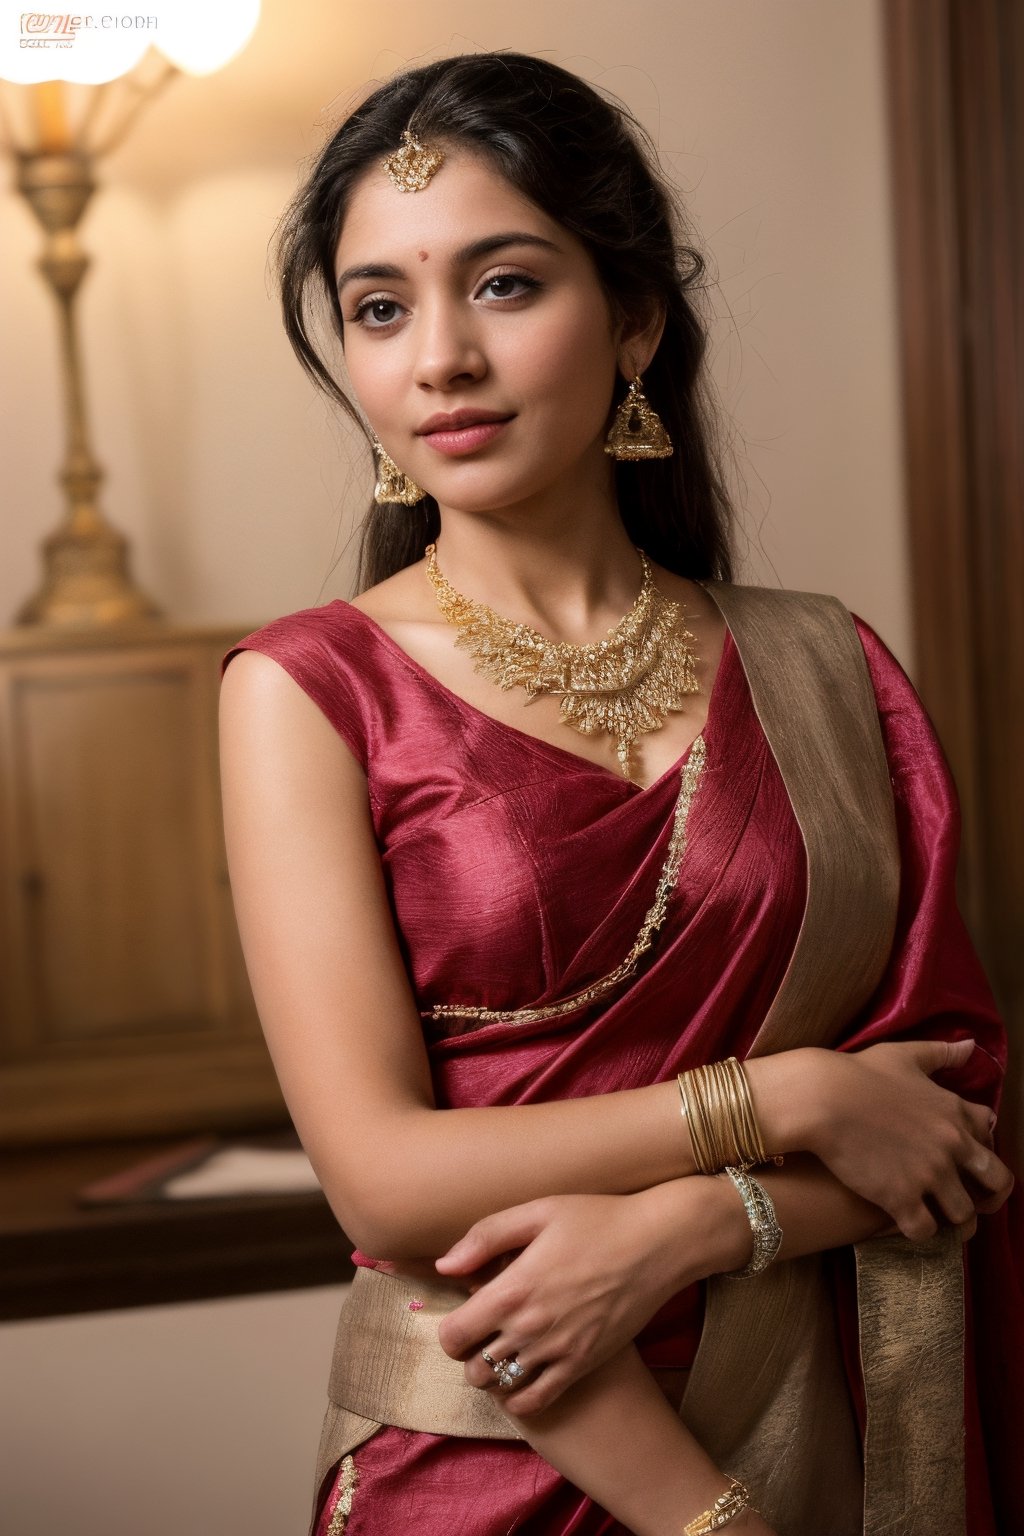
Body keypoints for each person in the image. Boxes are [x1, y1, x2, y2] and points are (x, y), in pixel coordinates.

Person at [218, 52, 1021, 1536]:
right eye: (380, 309)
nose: (439, 358)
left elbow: (953, 1117)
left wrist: (692, 1226)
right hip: (483, 1457)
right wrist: (784, 1098)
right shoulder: (308, 690)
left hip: (823, 1425)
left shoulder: (824, 665)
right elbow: (386, 1184)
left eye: (505, 285)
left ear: (637, 316)